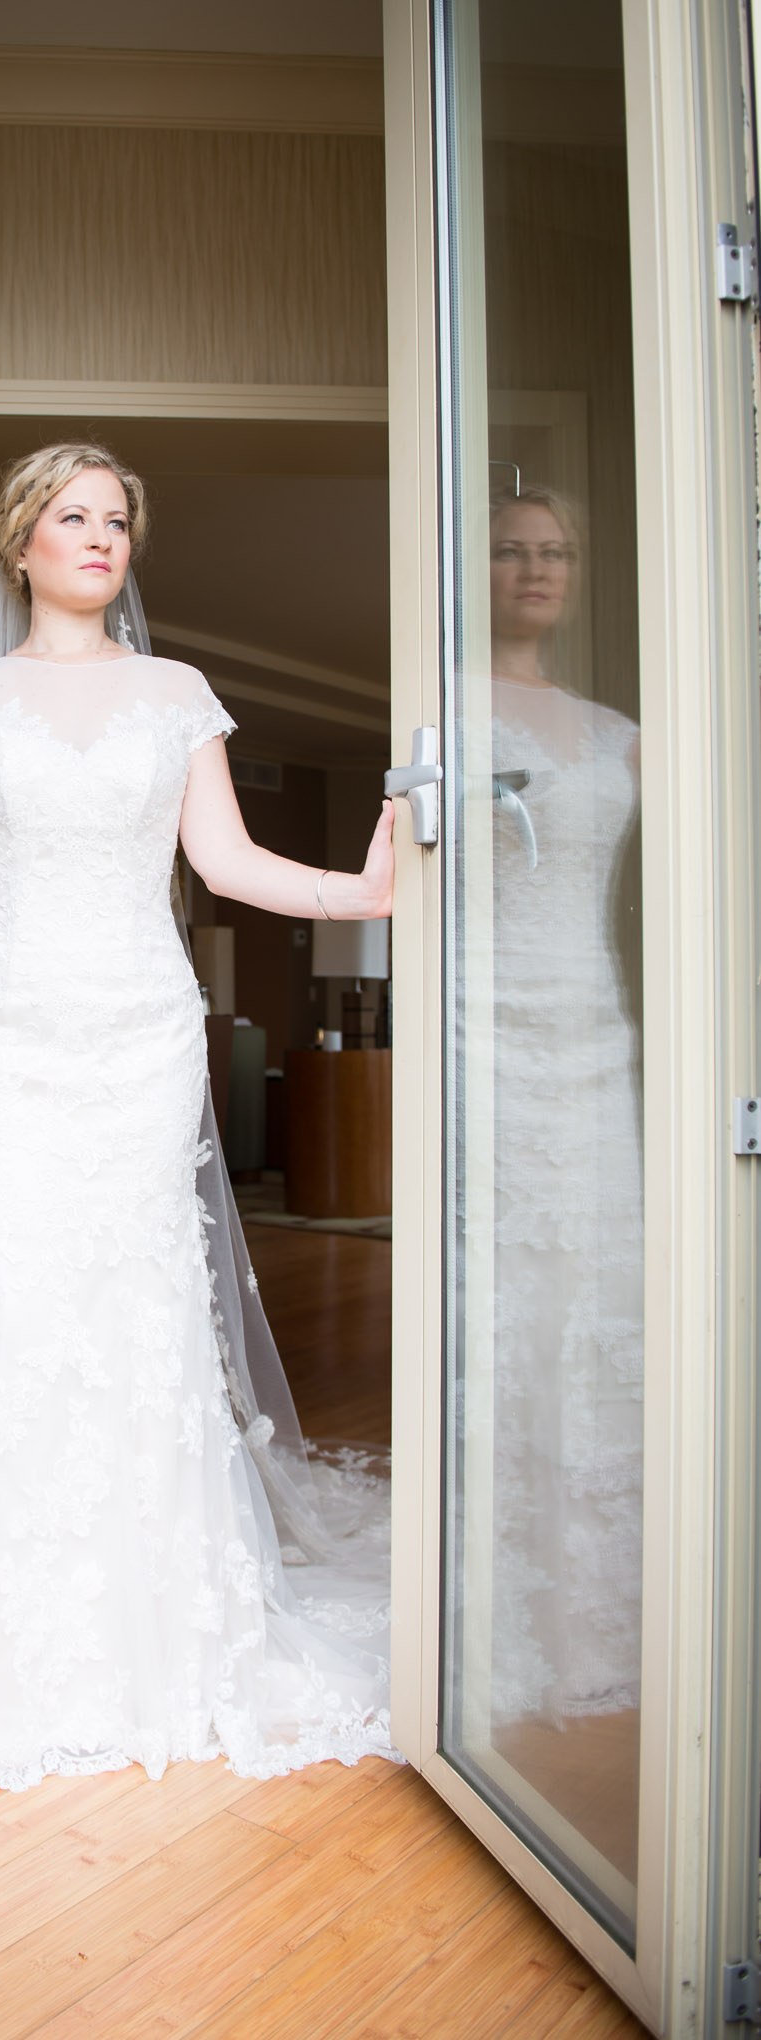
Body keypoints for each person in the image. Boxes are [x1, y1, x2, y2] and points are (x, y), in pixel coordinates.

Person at [0, 442, 400, 1802]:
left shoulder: (178, 694)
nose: (99, 537)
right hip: (4, 1034)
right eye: (72, 516)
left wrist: (361, 889)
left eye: (117, 520)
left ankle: (160, 1624)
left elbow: (221, 862)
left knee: (138, 1299)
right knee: (13, 1289)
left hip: (142, 1033)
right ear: (19, 543)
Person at [483, 484, 644, 1734]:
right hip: (487, 1043)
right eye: (511, 550)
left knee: (597, 1303)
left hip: (596, 1037)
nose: (537, 570)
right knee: (508, 1309)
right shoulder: (440, 706)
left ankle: (602, 1593)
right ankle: (498, 1589)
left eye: (557, 553)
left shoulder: (622, 731)